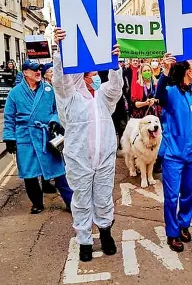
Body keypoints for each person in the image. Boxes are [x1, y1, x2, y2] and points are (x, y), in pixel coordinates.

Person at [53, 28, 123, 262]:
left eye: (95, 73)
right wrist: (61, 51)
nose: (94, 76)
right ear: (80, 77)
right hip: (79, 158)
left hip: (104, 157)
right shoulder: (70, 96)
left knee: (103, 198)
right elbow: (61, 81)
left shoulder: (102, 95)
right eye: (89, 73)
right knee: (81, 199)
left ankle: (105, 233)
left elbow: (116, 87)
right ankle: (84, 240)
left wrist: (115, 63)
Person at [3, 60, 72, 214]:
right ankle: (37, 203)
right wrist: (9, 138)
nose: (38, 72)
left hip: (45, 136)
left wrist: (55, 122)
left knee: (58, 170)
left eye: (39, 69)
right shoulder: (14, 93)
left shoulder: (48, 89)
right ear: (25, 72)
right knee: (30, 174)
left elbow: (57, 109)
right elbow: (9, 118)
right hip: (25, 137)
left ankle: (70, 201)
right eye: (34, 69)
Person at [155, 54, 192, 252]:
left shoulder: (189, 93)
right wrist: (165, 70)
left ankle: (183, 224)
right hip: (173, 155)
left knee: (188, 193)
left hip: (189, 154)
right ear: (185, 72)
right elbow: (159, 93)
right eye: (191, 69)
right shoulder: (171, 92)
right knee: (172, 197)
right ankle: (172, 234)